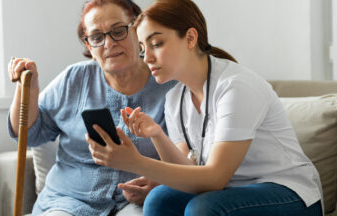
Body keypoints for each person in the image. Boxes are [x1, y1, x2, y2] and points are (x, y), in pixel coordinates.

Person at [85, 0, 324, 215]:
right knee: (159, 198)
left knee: (203, 208)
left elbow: (214, 179)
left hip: (289, 193)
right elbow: (187, 170)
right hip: (232, 191)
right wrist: (156, 134)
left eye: (156, 43)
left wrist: (134, 162)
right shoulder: (175, 98)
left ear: (190, 38)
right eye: (143, 48)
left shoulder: (236, 87)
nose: (146, 58)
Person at [7, 0, 176, 215]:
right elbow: (29, 136)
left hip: (135, 203)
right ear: (89, 46)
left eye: (118, 31)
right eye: (97, 37)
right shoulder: (73, 79)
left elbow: (192, 159)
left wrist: (162, 183)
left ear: (138, 31)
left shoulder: (170, 85)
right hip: (67, 201)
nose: (109, 43)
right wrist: (27, 91)